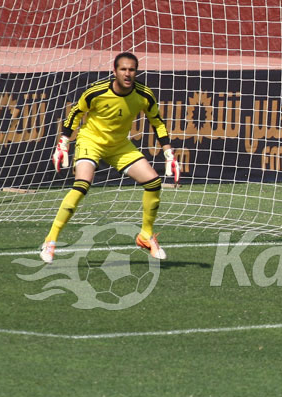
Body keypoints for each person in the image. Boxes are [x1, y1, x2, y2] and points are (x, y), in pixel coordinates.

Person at [39, 51, 179, 264]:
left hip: (119, 145)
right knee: (82, 185)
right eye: (123, 69)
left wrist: (168, 152)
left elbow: (157, 122)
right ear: (114, 71)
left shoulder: (144, 95)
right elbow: (75, 113)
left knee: (153, 182)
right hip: (91, 142)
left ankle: (145, 235)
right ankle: (50, 240)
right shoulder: (96, 91)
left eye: (131, 70)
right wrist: (63, 143)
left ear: (136, 72)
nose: (127, 74)